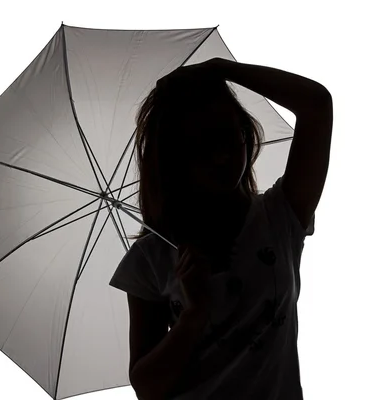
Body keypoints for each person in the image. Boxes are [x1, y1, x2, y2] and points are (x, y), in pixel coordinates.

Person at [109, 57, 333, 399]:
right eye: (200, 146)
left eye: (228, 136)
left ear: (245, 131)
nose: (221, 156)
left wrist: (223, 69)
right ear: (175, 158)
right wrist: (192, 317)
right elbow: (146, 388)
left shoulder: (281, 215)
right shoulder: (153, 256)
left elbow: (316, 105)